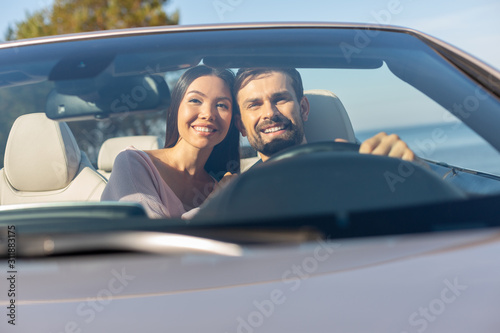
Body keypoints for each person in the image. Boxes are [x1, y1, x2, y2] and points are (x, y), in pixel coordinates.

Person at [101, 65, 240, 218]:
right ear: (175, 109)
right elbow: (153, 236)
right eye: (195, 100)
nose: (208, 114)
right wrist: (214, 203)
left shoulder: (223, 186)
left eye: (221, 105)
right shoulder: (133, 163)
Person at [233, 67, 417, 165]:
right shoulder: (234, 193)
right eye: (254, 105)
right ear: (241, 125)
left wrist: (412, 169)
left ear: (303, 108)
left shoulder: (355, 167)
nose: (270, 113)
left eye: (280, 99)